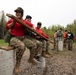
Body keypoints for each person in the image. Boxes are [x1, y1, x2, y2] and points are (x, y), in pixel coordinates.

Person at [5, 7, 26, 75]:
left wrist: (33, 27)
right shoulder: (11, 20)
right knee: (22, 46)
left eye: (19, 12)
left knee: (35, 44)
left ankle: (33, 57)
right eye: (16, 12)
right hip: (14, 38)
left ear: (22, 13)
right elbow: (7, 27)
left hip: (22, 38)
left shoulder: (24, 21)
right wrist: (14, 22)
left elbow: (30, 26)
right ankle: (17, 65)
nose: (17, 13)